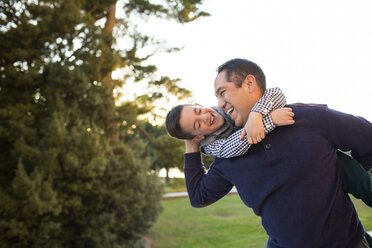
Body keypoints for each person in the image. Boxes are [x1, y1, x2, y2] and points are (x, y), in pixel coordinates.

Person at [181, 58, 372, 247]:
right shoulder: (229, 155)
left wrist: (343, 175)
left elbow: (368, 139)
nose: (220, 104)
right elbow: (199, 197)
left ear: (249, 83)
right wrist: (191, 144)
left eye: (223, 93)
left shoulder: (308, 118)